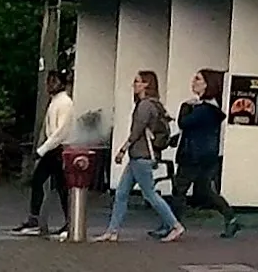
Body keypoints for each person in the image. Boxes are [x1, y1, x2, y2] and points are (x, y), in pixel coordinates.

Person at [94, 71, 184, 243]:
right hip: (140, 157)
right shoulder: (155, 105)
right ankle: (112, 231)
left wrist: (122, 150)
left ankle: (175, 225)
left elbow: (136, 132)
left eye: (137, 82)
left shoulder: (144, 106)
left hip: (141, 156)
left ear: (146, 85)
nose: (134, 85)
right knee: (121, 193)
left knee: (149, 194)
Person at [158, 69, 239, 239]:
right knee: (205, 192)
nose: (193, 81)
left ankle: (172, 225)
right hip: (205, 155)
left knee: (179, 191)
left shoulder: (204, 109)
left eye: (198, 79)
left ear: (207, 84)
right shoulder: (209, 109)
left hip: (193, 155)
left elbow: (184, 123)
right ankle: (230, 217)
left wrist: (185, 107)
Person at [13, 71, 73, 238]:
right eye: (49, 82)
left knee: (57, 185)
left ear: (61, 84)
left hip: (57, 149)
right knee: (47, 183)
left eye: (54, 82)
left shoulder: (65, 103)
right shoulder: (55, 101)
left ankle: (67, 221)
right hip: (52, 149)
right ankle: (38, 219)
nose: (50, 85)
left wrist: (42, 149)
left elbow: (60, 132)